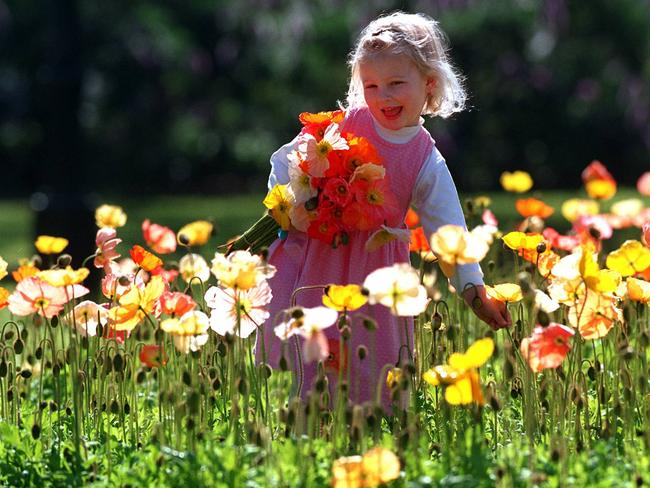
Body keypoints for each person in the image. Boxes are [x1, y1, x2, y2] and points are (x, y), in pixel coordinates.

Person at [257, 11, 511, 408]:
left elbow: (450, 234)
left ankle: (375, 423)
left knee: (373, 356)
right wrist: (293, 204)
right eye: (372, 85)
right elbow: (285, 163)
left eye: (396, 83)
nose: (383, 96)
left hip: (378, 269)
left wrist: (472, 289)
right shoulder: (346, 125)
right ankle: (309, 423)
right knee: (313, 350)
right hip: (322, 257)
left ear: (428, 84)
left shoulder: (425, 158)